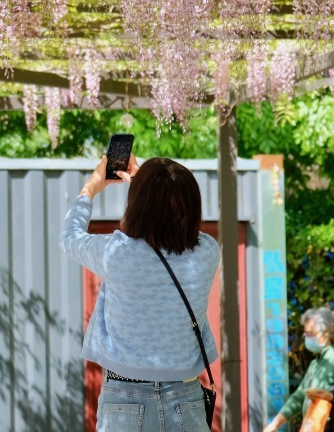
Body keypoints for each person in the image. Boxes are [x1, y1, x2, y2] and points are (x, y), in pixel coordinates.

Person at [60, 155, 220, 432]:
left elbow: (69, 237)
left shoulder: (117, 253)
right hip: (186, 398)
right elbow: (174, 218)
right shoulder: (207, 252)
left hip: (124, 397)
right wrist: (147, 181)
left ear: (138, 204)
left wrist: (91, 188)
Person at [263, 307, 334, 432]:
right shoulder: (316, 363)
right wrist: (275, 424)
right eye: (305, 333)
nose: (307, 337)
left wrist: (331, 397)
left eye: (311, 333)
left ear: (326, 333)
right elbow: (298, 398)